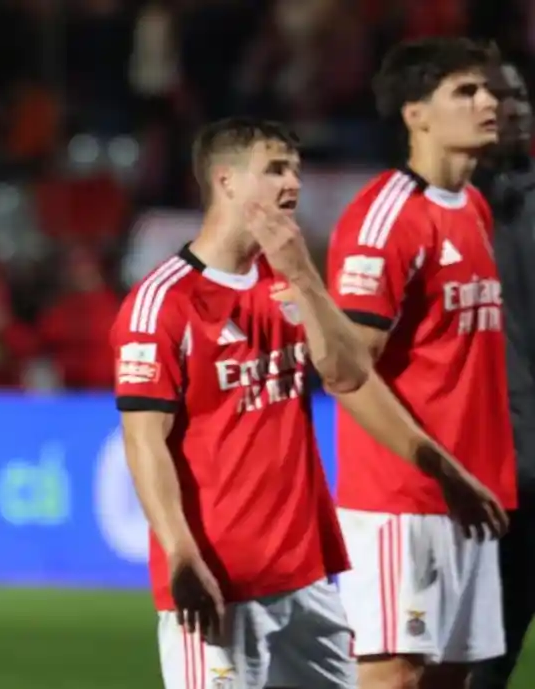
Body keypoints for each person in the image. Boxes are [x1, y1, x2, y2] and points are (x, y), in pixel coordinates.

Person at [114, 116, 504, 689]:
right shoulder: (163, 303)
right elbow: (144, 439)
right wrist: (179, 555)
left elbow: (350, 374)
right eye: (274, 170)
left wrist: (302, 274)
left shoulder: (286, 279)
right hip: (223, 577)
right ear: (226, 182)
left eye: (295, 168)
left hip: (306, 575)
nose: (292, 182)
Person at [326, 37, 515, 689]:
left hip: (475, 496)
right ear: (415, 113)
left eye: (487, 88)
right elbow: (347, 374)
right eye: (465, 91)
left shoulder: (476, 209)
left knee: (451, 678)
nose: (487, 100)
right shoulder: (386, 219)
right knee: (392, 675)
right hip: (400, 499)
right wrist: (438, 464)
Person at [470, 60, 535, 689]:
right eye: (494, 96)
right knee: (480, 669)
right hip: (494, 488)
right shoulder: (440, 213)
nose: (512, 107)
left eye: (519, 95)